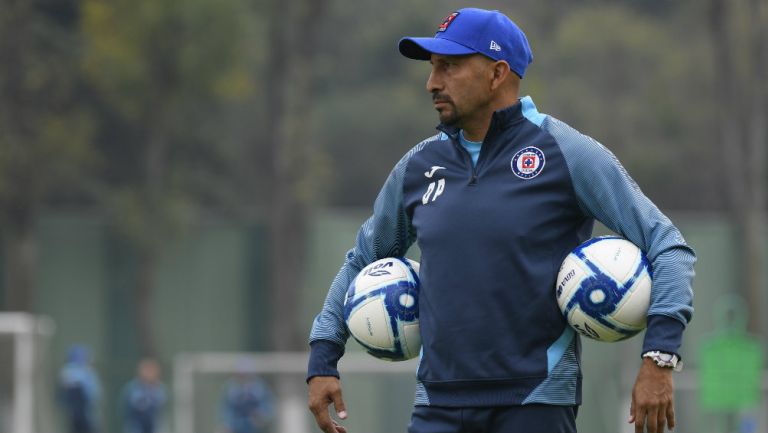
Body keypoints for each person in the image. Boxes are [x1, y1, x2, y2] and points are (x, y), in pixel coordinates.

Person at [306, 7, 695, 433]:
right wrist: (323, 355)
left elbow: (669, 247)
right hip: (437, 404)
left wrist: (659, 357)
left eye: (448, 67)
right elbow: (362, 259)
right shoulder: (419, 166)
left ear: (497, 74)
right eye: (433, 68)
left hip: (534, 403)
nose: (432, 82)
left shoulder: (565, 152)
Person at [58, 344, 101, 433]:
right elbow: (93, 393)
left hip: (74, 414)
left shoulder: (66, 371)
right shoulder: (82, 372)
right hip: (83, 413)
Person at [218, 367, 274, 433]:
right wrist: (226, 424)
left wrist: (261, 415)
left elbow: (268, 407)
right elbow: (225, 410)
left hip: (256, 428)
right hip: (236, 427)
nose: (244, 377)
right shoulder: (231, 389)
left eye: (246, 374)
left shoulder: (260, 388)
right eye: (241, 375)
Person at [120, 358, 167, 433]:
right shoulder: (132, 388)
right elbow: (128, 408)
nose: (148, 373)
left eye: (151, 370)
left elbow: (160, 408)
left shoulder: (160, 389)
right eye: (146, 370)